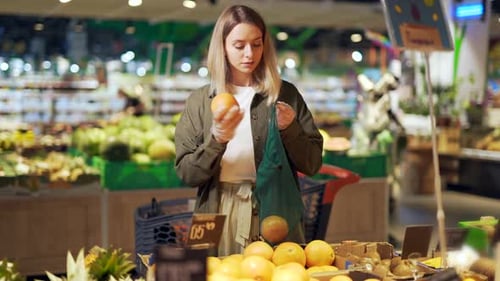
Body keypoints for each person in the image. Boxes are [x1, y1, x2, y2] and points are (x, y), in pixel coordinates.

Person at [174, 4, 323, 256]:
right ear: (222, 46)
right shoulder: (200, 101)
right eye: (239, 45)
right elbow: (187, 174)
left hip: (274, 210)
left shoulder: (285, 95)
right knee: (213, 272)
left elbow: (312, 163)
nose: (249, 53)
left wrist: (290, 129)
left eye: (256, 44)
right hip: (214, 209)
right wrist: (217, 140)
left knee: (278, 273)